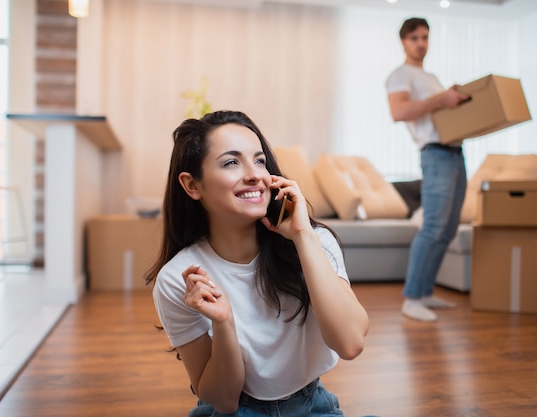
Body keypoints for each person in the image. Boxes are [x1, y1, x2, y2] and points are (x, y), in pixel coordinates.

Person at [145, 110, 371, 416]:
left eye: (260, 160)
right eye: (231, 162)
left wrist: (303, 237)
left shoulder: (314, 241)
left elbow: (350, 343)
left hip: (313, 405)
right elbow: (223, 400)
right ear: (192, 185)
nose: (254, 175)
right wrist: (223, 324)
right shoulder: (179, 279)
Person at [385, 17, 470, 322]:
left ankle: (424, 292)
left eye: (425, 37)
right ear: (403, 42)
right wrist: (441, 98)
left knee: (447, 230)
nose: (421, 43)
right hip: (435, 155)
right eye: (414, 38)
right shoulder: (400, 75)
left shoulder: (429, 76)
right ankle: (411, 299)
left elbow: (438, 108)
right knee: (433, 227)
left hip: (456, 153)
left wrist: (449, 97)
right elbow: (399, 111)